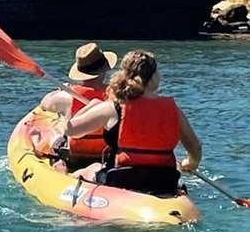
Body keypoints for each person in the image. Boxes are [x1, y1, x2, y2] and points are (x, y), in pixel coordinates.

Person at [62, 49, 202, 196]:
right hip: (164, 181)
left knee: (91, 168)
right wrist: (190, 163)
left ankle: (65, 178)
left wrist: (93, 104)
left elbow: (70, 130)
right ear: (153, 78)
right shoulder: (174, 110)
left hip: (122, 180)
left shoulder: (113, 107)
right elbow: (195, 149)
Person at [33, 42, 116, 171]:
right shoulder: (116, 95)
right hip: (107, 155)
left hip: (76, 158)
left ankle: (36, 142)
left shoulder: (67, 97)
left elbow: (45, 103)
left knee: (54, 130)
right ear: (104, 70)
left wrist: (60, 91)